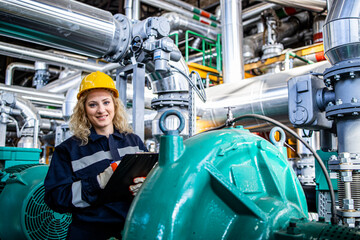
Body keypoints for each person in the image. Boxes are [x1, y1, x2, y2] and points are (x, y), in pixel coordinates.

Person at [44, 71, 148, 240]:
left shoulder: (133, 141)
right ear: (83, 110)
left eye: (106, 102)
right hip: (89, 233)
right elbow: (55, 198)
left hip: (132, 230)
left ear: (114, 105)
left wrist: (146, 187)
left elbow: (151, 175)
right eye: (93, 105)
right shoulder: (69, 150)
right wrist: (97, 182)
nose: (101, 110)